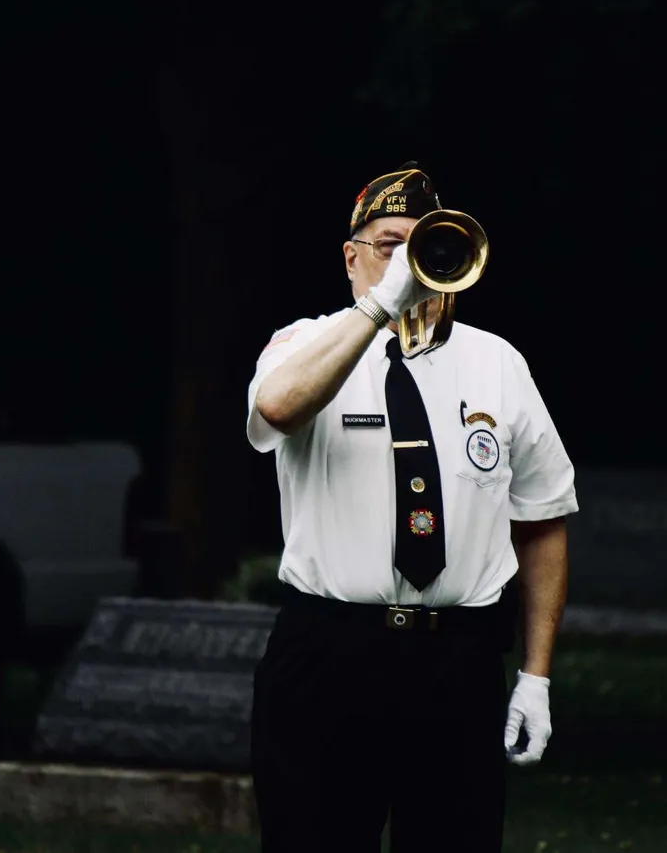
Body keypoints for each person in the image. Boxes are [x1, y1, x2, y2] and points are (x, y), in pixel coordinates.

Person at [244, 162, 578, 852]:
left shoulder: (499, 364)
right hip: (330, 654)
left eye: (422, 245)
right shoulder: (304, 344)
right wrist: (378, 310)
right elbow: (276, 407)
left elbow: (543, 519)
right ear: (351, 257)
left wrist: (536, 676)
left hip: (457, 659)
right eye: (389, 245)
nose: (408, 263)